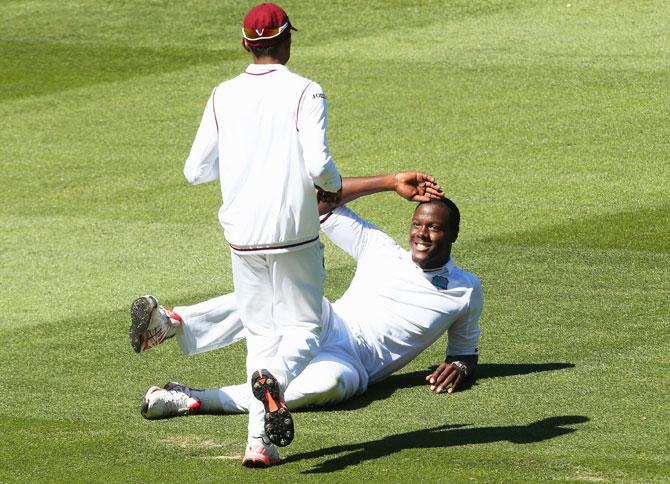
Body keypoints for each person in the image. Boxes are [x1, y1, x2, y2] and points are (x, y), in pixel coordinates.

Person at [132, 172, 483, 467]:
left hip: (352, 364)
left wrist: (461, 368)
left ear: (452, 234)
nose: (421, 234)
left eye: (434, 228)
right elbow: (320, 202)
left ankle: (189, 399)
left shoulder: (465, 290)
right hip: (329, 322)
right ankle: (171, 322)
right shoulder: (380, 249)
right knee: (274, 296)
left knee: (329, 384)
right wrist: (390, 182)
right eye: (417, 224)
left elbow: (463, 354)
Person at [129, 3, 345, 464]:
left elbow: (194, 171)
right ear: (287, 41)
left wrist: (247, 163)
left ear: (247, 44)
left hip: (242, 235)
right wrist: (333, 188)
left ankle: (258, 445)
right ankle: (275, 383)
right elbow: (319, 164)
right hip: (294, 233)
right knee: (304, 329)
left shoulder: (222, 94)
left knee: (259, 333)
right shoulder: (307, 90)